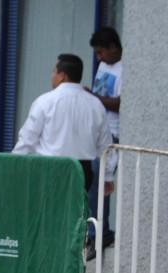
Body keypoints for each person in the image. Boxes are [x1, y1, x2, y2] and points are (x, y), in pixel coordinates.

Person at [13, 54, 115, 260]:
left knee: (47, 218)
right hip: (82, 171)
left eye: (54, 71)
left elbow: (27, 139)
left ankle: (48, 260)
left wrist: (14, 166)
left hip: (51, 168)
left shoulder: (45, 101)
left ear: (61, 75)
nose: (52, 76)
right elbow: (106, 145)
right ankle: (72, 262)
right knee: (75, 220)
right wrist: (108, 175)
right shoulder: (95, 104)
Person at [89, 26, 122, 254]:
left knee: (102, 181)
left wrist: (93, 97)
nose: (99, 58)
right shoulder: (103, 66)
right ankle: (93, 230)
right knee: (93, 180)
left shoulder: (124, 68)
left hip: (115, 133)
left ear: (113, 47)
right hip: (97, 131)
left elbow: (120, 103)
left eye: (102, 52)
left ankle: (102, 232)